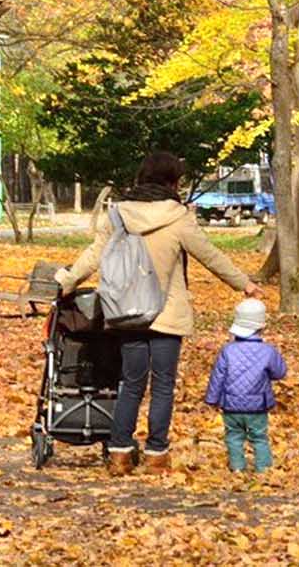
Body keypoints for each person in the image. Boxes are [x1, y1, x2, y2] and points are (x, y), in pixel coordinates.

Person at [55, 150, 258, 474]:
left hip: (126, 313)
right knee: (163, 385)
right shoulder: (178, 217)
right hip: (167, 313)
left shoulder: (118, 214)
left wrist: (67, 282)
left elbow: (95, 255)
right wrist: (243, 284)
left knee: (130, 383)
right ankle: (156, 455)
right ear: (171, 182)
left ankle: (120, 453)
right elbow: (210, 255)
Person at [205, 298, 287, 473]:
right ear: (261, 326)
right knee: (259, 437)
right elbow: (280, 373)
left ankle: (237, 468)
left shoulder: (227, 350)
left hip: (231, 405)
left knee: (233, 436)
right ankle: (263, 469)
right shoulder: (268, 351)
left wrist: (212, 399)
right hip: (258, 405)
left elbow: (217, 377)